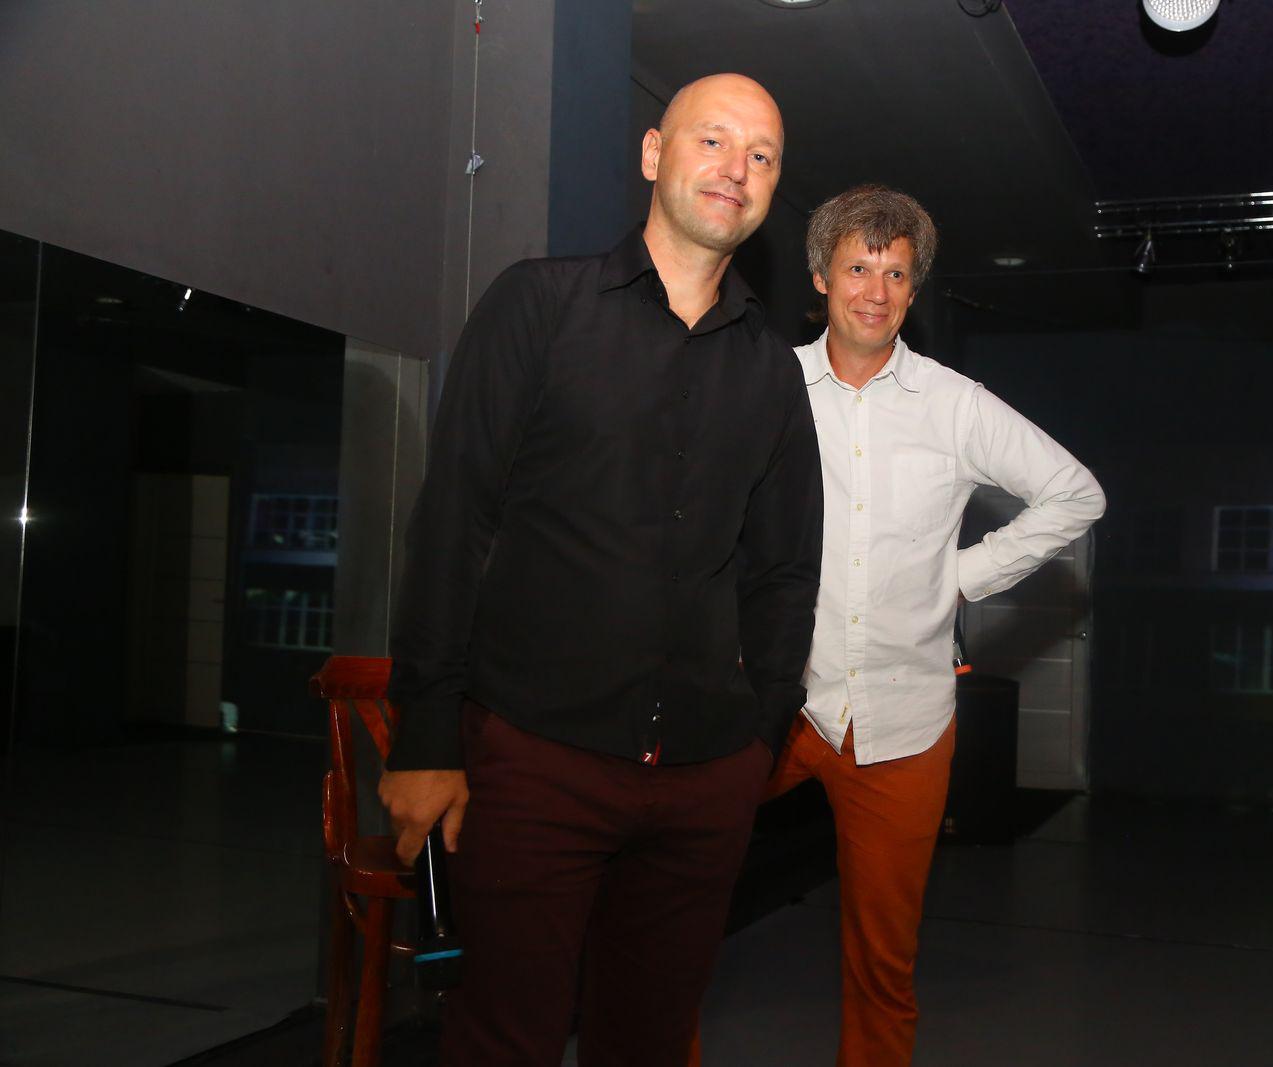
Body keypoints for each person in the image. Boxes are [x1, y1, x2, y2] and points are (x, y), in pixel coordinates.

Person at [378, 73, 823, 1067]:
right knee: (504, 1037)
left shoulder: (772, 369)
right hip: (536, 757)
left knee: (650, 1041)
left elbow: (785, 567)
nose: (737, 168)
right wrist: (426, 734)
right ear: (654, 153)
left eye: (761, 156)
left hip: (705, 775)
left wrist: (760, 732)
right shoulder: (539, 305)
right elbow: (454, 521)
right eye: (713, 140)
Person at [727, 184, 1104, 1066]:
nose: (876, 290)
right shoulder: (766, 386)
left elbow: (1076, 493)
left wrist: (962, 577)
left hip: (905, 720)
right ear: (821, 277)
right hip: (772, 703)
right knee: (668, 906)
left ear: (913, 288)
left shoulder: (955, 404)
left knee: (884, 961)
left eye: (896, 273)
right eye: (858, 267)